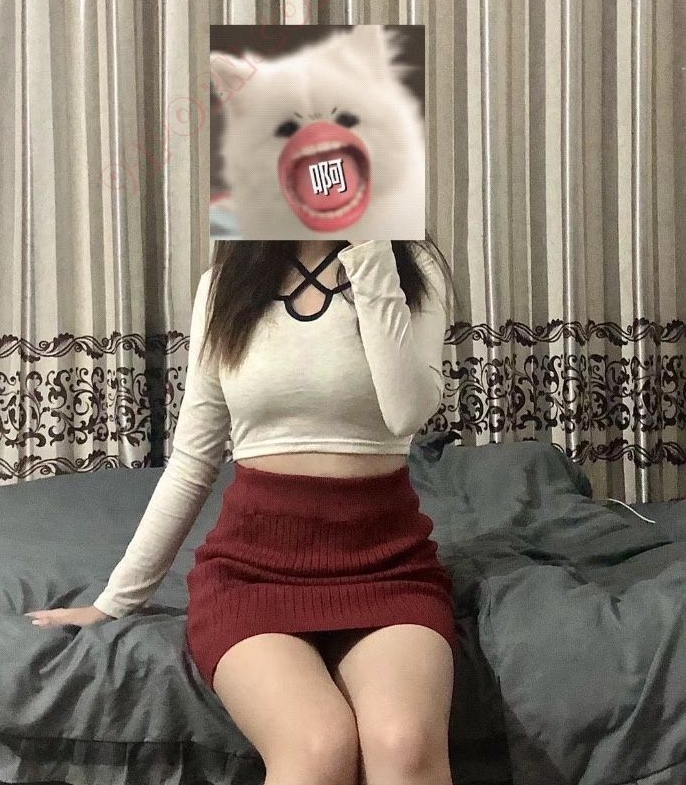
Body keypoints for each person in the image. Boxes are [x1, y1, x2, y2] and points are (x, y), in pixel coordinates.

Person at [27, 237, 458, 785]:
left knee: (404, 744)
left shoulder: (411, 267)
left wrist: (370, 250)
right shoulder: (225, 285)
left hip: (386, 564)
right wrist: (115, 602)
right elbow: (193, 460)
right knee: (318, 745)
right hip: (254, 571)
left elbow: (406, 413)